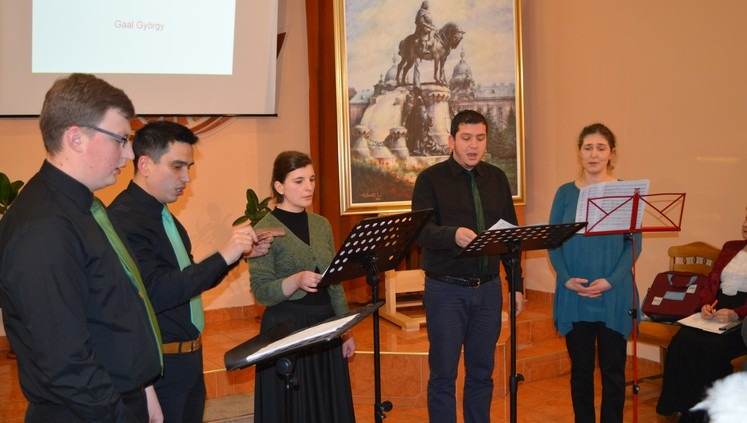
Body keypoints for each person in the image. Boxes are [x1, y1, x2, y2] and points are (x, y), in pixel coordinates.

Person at [0, 73, 163, 421]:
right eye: (121, 139)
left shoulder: (83, 207)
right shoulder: (44, 228)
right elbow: (66, 364)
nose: (129, 153)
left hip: (120, 398)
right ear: (75, 138)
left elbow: (114, 308)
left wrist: (143, 388)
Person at [108, 120, 276, 422]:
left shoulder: (163, 213)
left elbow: (187, 281)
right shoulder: (125, 219)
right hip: (161, 367)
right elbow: (155, 292)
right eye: (177, 167)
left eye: (189, 167)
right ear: (144, 165)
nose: (186, 178)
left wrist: (235, 256)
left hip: (188, 359)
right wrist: (223, 255)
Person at [411, 109, 524, 423]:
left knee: (482, 373)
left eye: (480, 138)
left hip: (488, 290)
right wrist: (452, 235)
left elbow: (511, 236)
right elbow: (420, 231)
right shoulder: (430, 179)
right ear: (451, 141)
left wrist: (515, 285)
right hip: (446, 290)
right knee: (443, 374)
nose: (473, 145)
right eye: (466, 138)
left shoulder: (497, 178)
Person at [249, 151, 356, 423]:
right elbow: (261, 291)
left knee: (327, 405)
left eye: (311, 179)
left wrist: (345, 330)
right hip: (288, 328)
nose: (308, 187)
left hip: (325, 326)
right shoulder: (264, 229)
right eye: (298, 181)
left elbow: (334, 282)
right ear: (279, 186)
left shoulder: (321, 224)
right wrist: (294, 281)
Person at [548, 123, 641, 423]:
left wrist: (610, 281)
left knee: (613, 373)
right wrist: (566, 279)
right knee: (581, 371)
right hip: (575, 294)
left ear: (612, 153)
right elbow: (552, 243)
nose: (594, 154)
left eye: (601, 148)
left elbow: (633, 245)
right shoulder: (565, 193)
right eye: (588, 147)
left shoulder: (626, 193)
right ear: (579, 152)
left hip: (613, 294)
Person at [656, 208, 747, 422]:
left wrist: (736, 314)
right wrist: (706, 305)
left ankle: (707, 414)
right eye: (746, 218)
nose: (745, 225)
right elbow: (711, 281)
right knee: (682, 340)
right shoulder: (730, 247)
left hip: (742, 318)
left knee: (712, 348)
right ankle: (681, 406)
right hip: (717, 308)